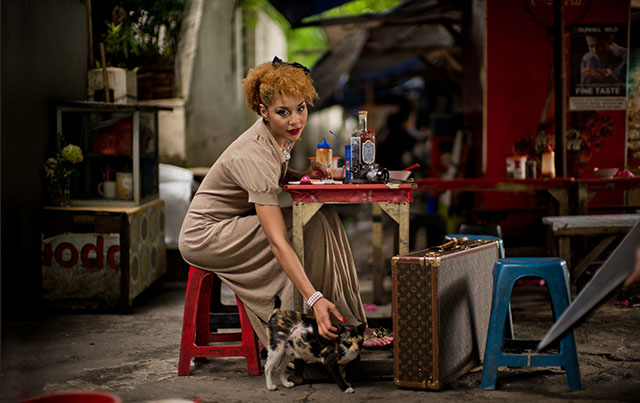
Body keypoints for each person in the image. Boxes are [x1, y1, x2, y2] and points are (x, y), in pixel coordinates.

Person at [179, 56, 391, 349]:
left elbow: (272, 174)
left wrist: (301, 174)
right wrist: (313, 297)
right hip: (207, 236)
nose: (295, 120)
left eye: (300, 108)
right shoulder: (252, 153)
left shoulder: (278, 136)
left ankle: (348, 321)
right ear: (263, 111)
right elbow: (277, 241)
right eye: (283, 112)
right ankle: (315, 322)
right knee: (310, 226)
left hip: (233, 223)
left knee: (324, 215)